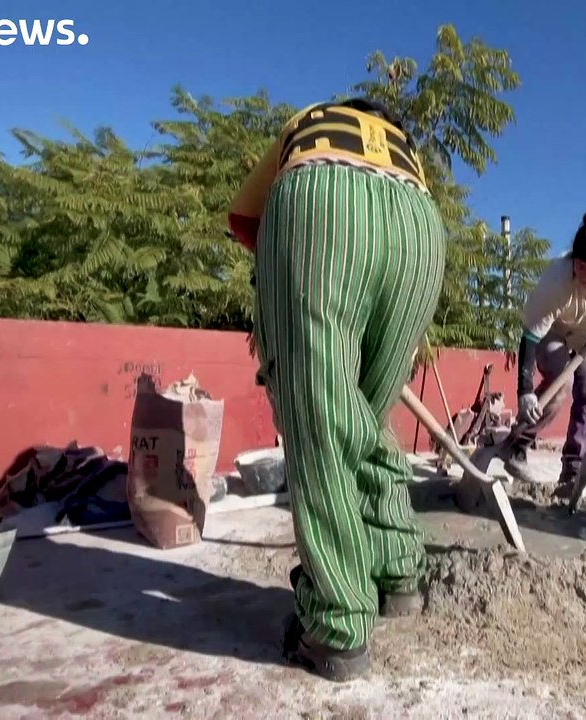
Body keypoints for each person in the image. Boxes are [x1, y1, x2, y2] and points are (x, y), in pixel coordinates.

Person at [227, 97, 445, 681]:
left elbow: (246, 223)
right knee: (368, 416)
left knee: (320, 417)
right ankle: (397, 573)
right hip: (422, 233)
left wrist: (298, 285)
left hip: (321, 204)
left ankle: (336, 623)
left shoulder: (311, 120)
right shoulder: (405, 152)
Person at [500, 209, 586, 490]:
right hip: (553, 332)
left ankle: (573, 469)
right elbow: (531, 335)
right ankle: (516, 445)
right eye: (581, 266)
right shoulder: (556, 279)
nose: (585, 274)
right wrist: (524, 392)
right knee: (560, 386)